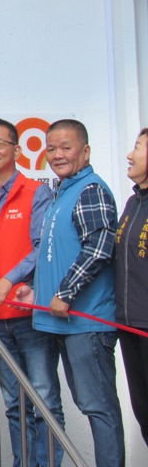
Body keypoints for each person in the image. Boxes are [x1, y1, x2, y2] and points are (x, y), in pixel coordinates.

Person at [19, 119, 125, 467]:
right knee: (89, 404)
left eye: (66, 147)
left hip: (87, 323)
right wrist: (36, 291)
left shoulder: (90, 189)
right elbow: (57, 253)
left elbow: (98, 247)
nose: (57, 155)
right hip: (64, 323)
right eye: (51, 149)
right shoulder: (62, 192)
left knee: (99, 408)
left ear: (86, 151)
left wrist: (65, 293)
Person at [0, 118, 61, 467]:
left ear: (17, 150)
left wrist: (8, 280)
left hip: (30, 315)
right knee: (14, 405)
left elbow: (42, 247)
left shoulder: (36, 192)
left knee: (44, 401)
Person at [117, 127, 148, 447]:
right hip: (129, 324)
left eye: (137, 147)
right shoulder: (132, 202)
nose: (130, 154)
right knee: (144, 413)